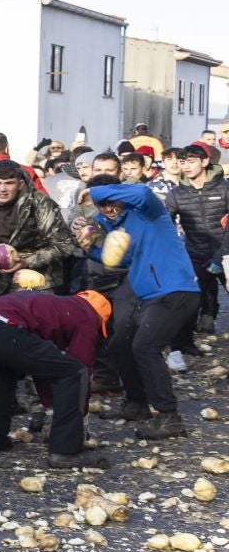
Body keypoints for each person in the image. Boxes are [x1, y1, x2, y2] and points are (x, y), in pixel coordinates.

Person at [79, 175, 202, 439]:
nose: (109, 208)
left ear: (122, 196)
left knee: (145, 347)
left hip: (176, 290)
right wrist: (90, 248)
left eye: (114, 202)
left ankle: (170, 417)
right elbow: (119, 260)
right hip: (148, 295)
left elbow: (143, 194)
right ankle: (135, 404)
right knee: (121, 342)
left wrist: (94, 191)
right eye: (103, 205)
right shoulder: (119, 228)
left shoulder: (149, 211)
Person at [0, 289, 112, 468]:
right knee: (74, 372)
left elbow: (42, 367)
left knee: (4, 370)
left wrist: (52, 408)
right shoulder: (88, 315)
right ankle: (65, 451)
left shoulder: (54, 305)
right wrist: (78, 424)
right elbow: (80, 367)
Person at [0, 160, 77, 299]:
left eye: (9, 183)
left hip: (38, 281)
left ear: (20, 184)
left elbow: (64, 245)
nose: (2, 189)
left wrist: (28, 261)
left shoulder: (40, 204)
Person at [170, 144, 228, 338]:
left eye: (192, 162)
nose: (186, 166)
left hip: (226, 252)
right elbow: (164, 223)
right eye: (183, 162)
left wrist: (220, 256)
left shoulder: (224, 188)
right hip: (195, 253)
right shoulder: (176, 194)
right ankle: (183, 344)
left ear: (204, 162)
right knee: (189, 298)